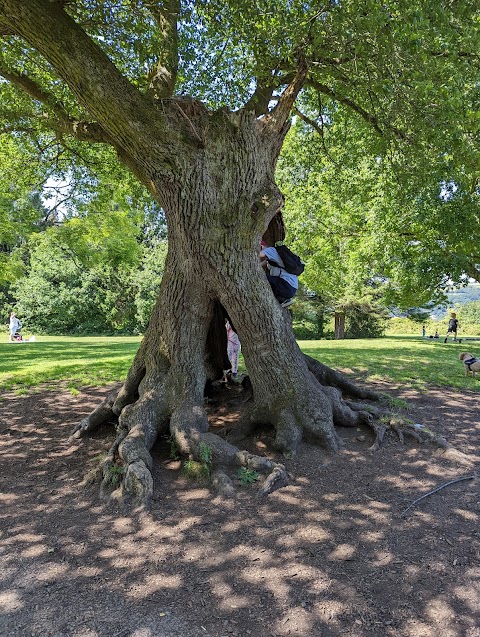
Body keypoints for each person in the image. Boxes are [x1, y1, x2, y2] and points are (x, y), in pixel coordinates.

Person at [259, 241, 298, 307]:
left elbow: (257, 255)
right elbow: (259, 265)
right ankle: (283, 299)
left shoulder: (270, 250)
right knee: (270, 279)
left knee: (261, 277)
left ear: (262, 246)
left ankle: (283, 298)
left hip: (286, 285)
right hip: (291, 288)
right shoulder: (271, 257)